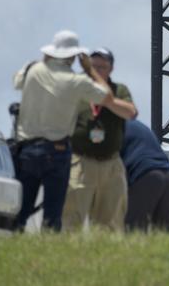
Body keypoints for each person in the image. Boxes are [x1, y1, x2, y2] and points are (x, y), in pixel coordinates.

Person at [12, 30, 129, 232]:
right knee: (53, 213)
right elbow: (107, 97)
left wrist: (44, 61)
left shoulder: (33, 69)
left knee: (22, 208)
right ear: (75, 56)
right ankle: (49, 241)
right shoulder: (77, 82)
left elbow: (17, 82)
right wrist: (90, 71)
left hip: (27, 148)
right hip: (57, 149)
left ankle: (15, 235)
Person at [63, 47, 137, 232]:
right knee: (71, 218)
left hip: (111, 164)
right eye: (93, 67)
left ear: (111, 69)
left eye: (101, 67)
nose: (95, 71)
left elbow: (130, 113)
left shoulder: (119, 90)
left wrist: (106, 98)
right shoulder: (77, 89)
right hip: (81, 161)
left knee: (110, 222)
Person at [121, 117, 169, 232]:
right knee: (163, 234)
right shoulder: (139, 126)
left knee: (133, 232)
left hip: (148, 177)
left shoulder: (114, 128)